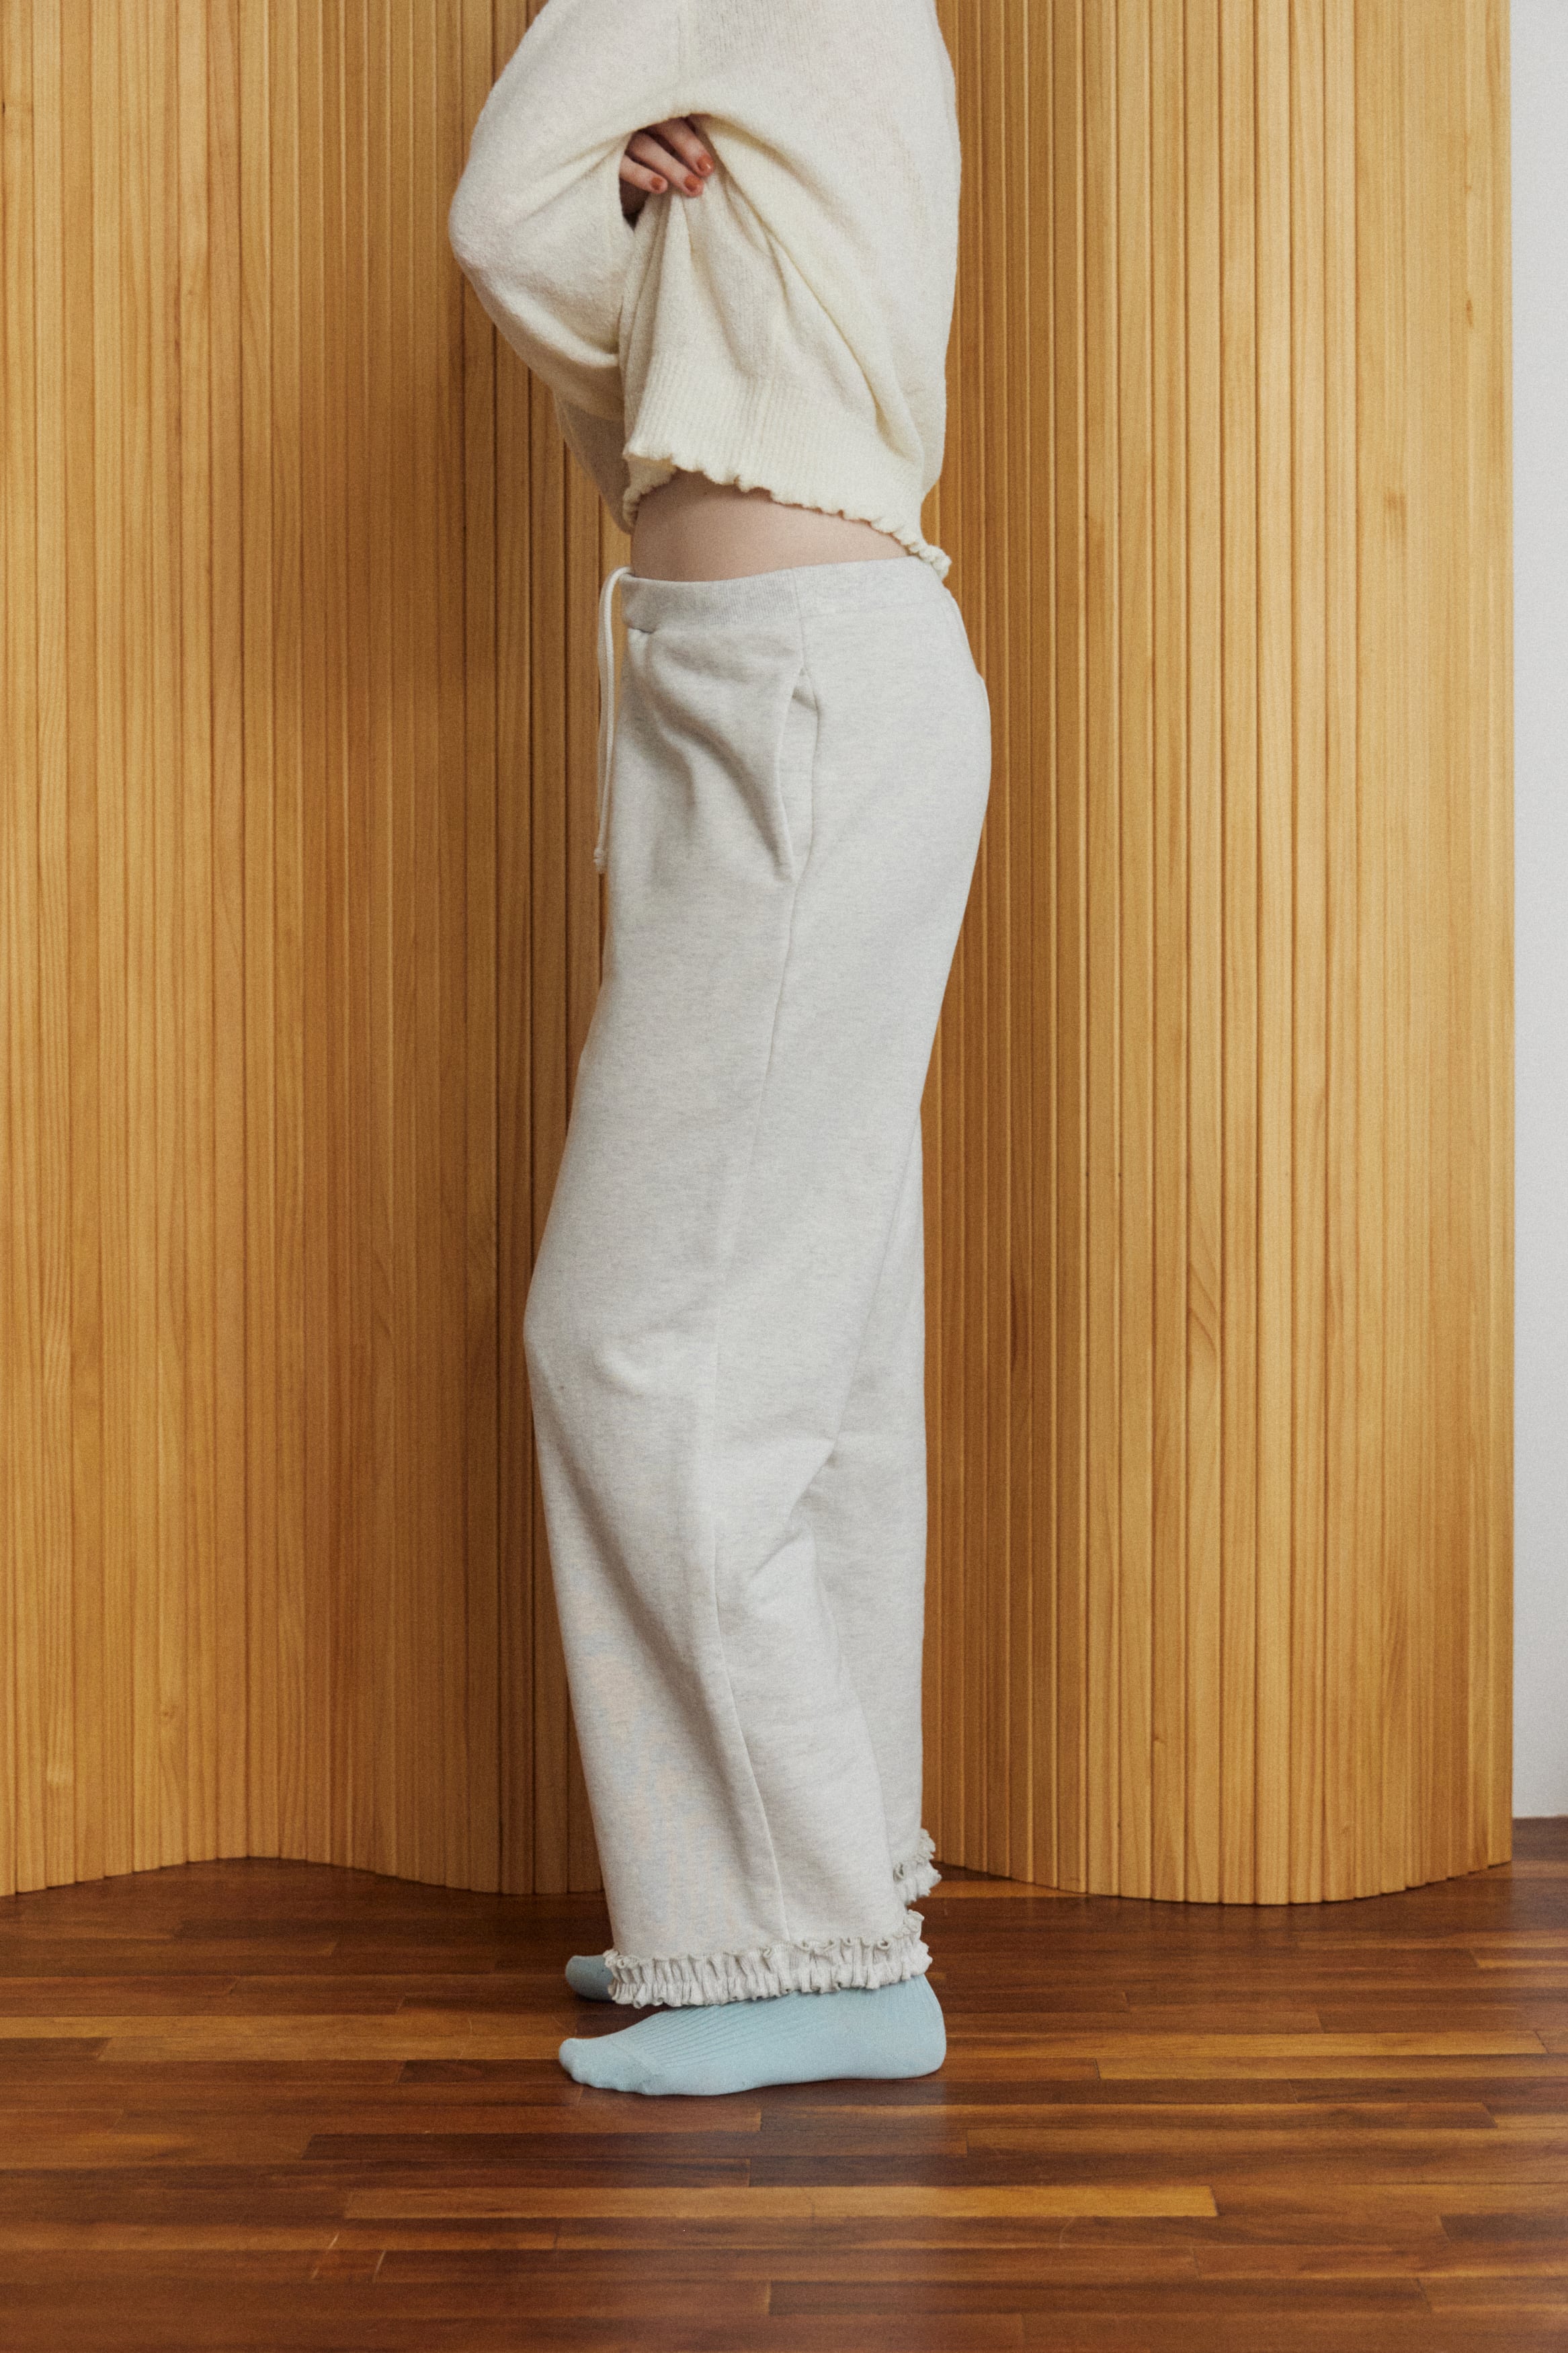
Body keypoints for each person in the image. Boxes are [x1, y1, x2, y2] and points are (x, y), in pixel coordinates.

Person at [448, 0, 989, 2098]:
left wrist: (626, 261)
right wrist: (660, 254)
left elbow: (505, 217)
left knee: (639, 1340)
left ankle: (791, 1939)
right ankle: (811, 1896)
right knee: (816, 1344)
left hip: (788, 687)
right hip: (795, 675)